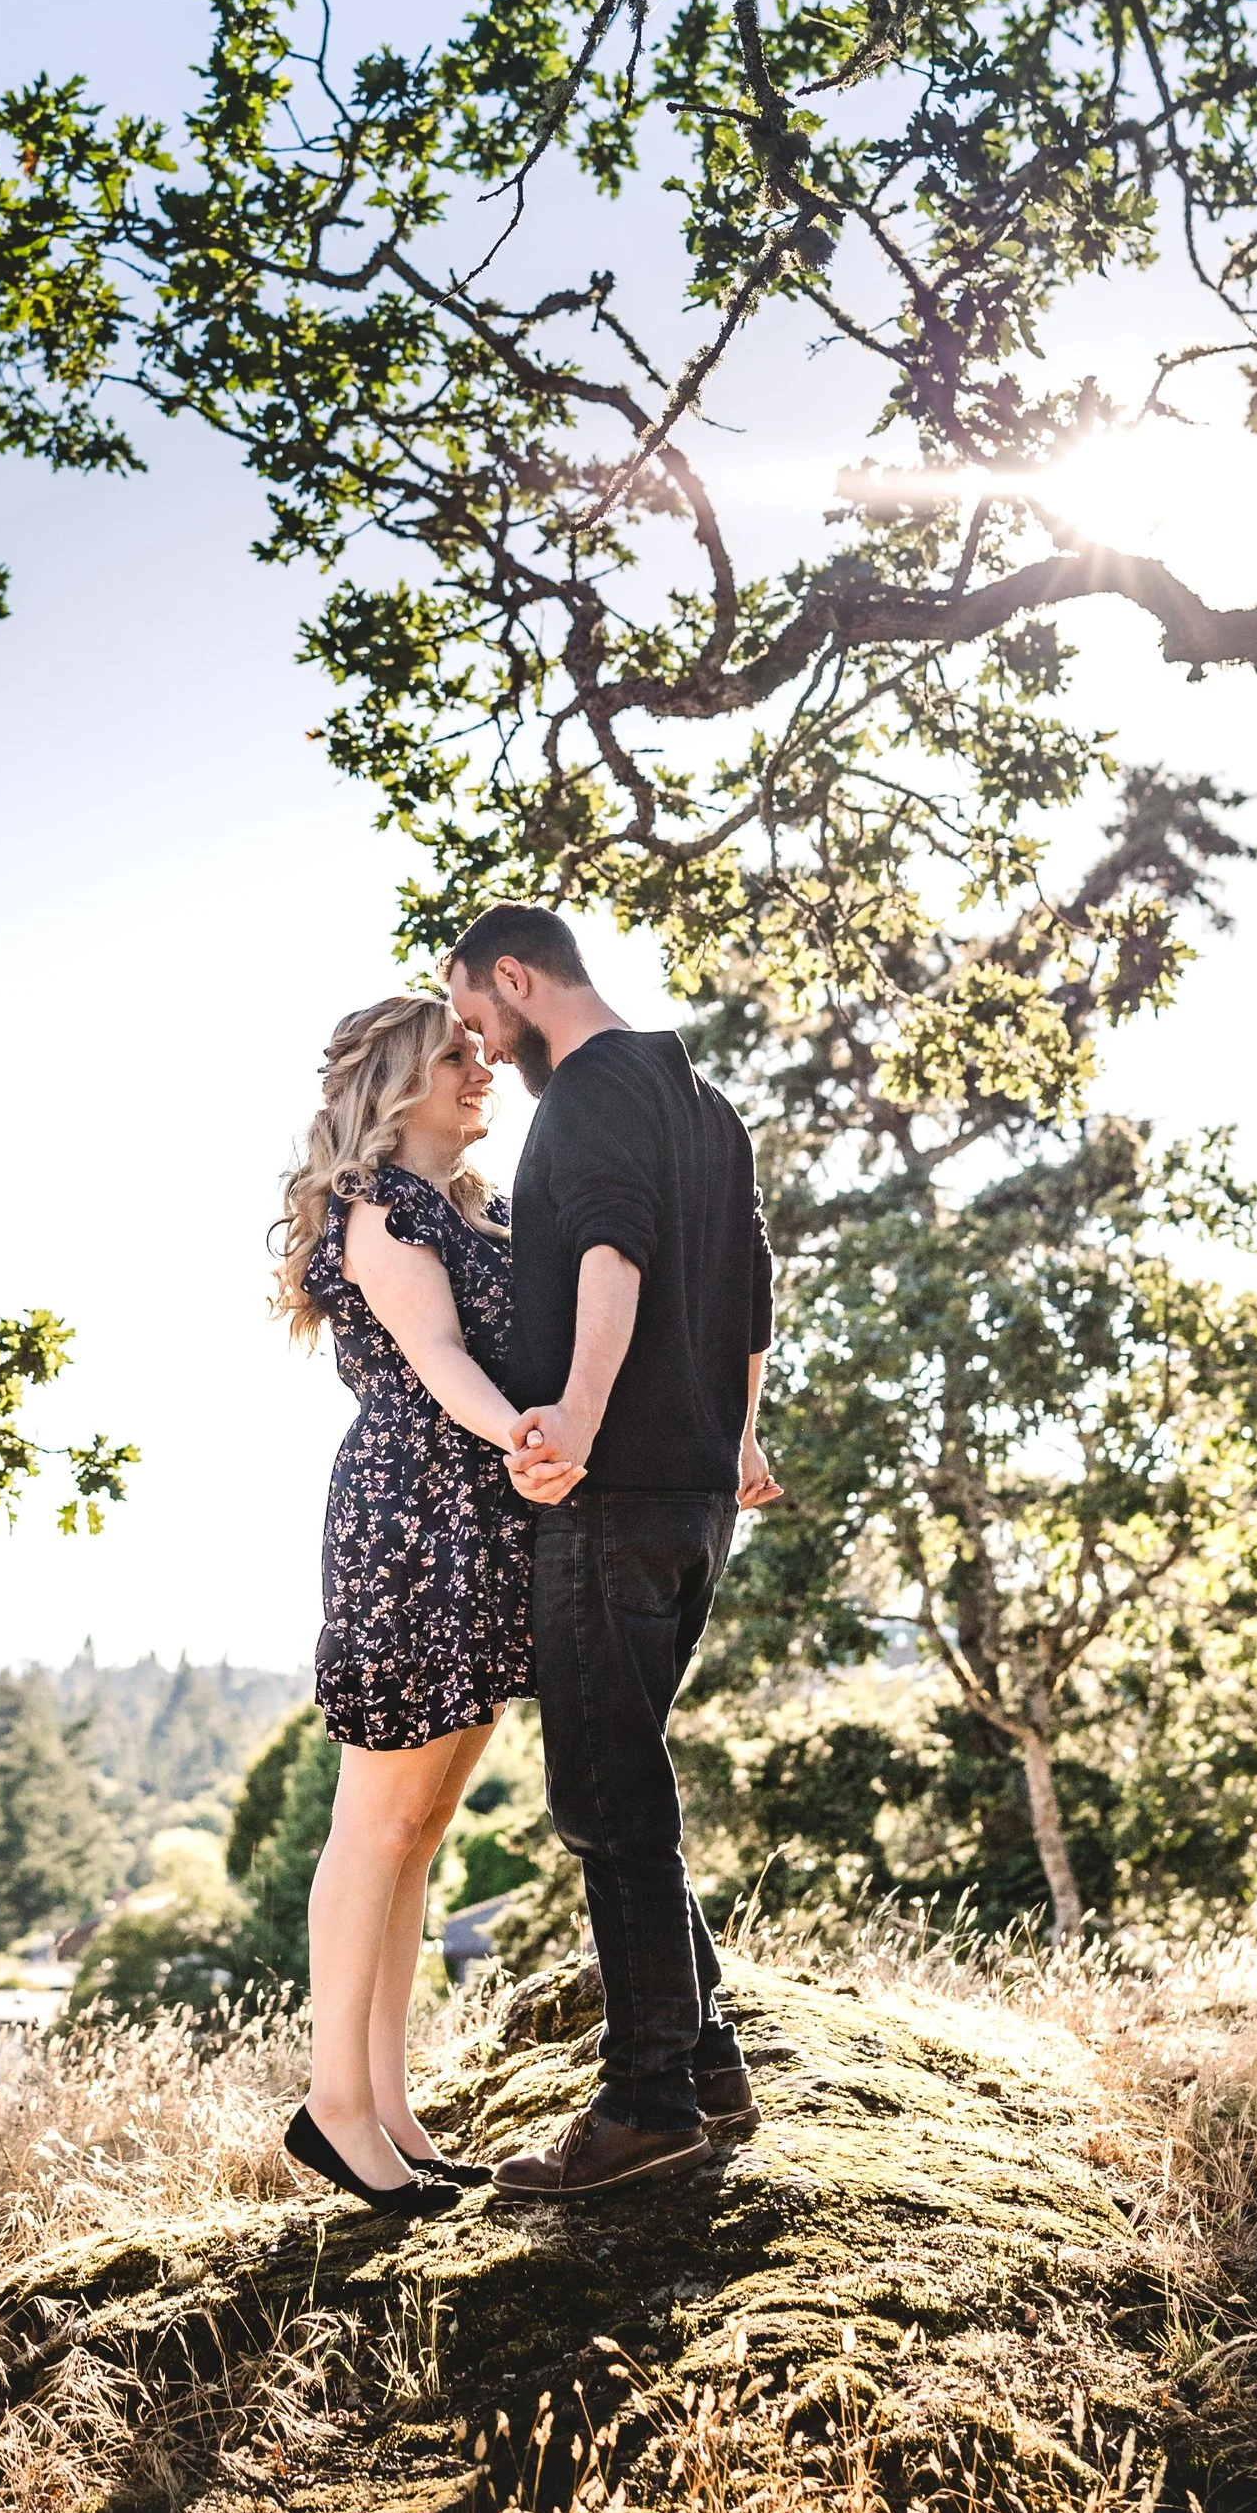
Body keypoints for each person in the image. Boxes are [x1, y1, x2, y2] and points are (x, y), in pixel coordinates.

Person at [445, 905, 781, 2200]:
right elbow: (752, 1288)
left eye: (477, 1010)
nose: (479, 1037)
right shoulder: (708, 1103)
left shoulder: (583, 1096)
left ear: (519, 978)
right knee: (626, 1779)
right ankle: (711, 2063)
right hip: (697, 1499)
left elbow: (610, 1249)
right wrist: (741, 1439)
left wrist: (575, 1418)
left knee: (602, 1796)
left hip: (613, 1490)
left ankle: (648, 2103)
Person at [270, 992, 533, 2215]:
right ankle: (333, 2108)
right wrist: (542, 1442)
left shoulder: (485, 1210)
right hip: (410, 1525)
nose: (482, 1069)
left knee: (422, 1830)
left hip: (479, 1526)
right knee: (374, 1825)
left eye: (481, 1052)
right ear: (396, 1086)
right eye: (457, 1055)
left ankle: (387, 2103)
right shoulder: (384, 1211)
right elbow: (442, 1366)